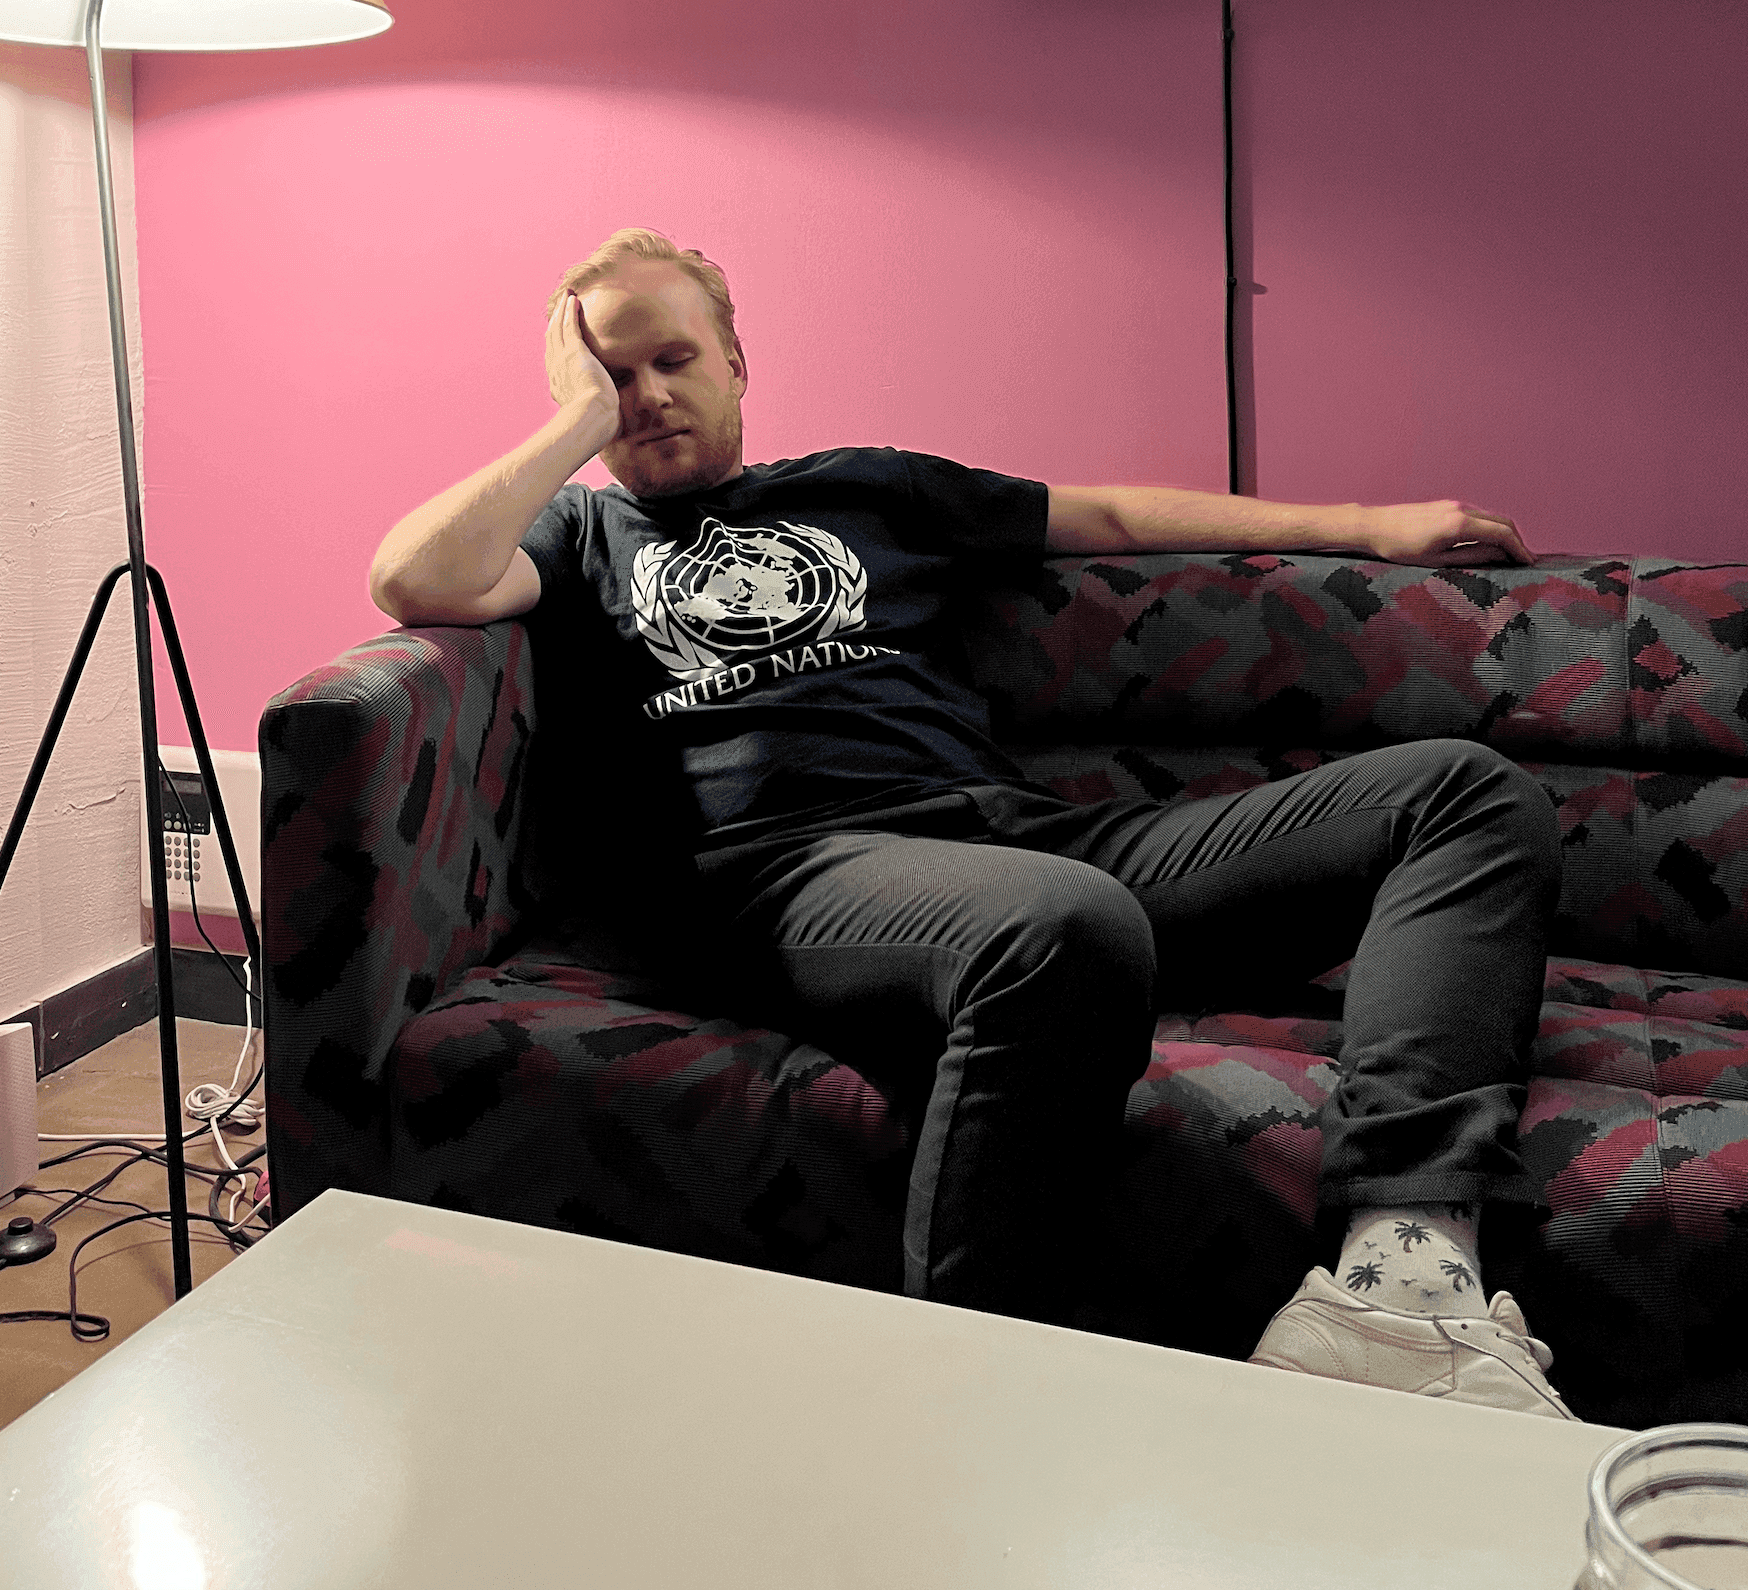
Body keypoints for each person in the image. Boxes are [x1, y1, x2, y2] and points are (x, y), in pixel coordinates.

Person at [369, 226, 1572, 1420]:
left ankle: (1396, 1282)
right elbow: (414, 576)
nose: (647, 396)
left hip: (1010, 838)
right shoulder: (580, 535)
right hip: (784, 870)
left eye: (672, 360)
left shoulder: (867, 485)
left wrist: (1368, 525)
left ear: (736, 361)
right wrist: (578, 421)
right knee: (1060, 927)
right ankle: (965, 1415)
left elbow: (1106, 517)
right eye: (614, 375)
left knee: (1460, 791)